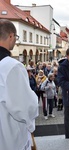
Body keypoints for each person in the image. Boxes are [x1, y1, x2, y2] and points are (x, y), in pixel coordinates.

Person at [0, 19, 39, 150]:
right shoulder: (12, 67)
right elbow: (25, 107)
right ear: (10, 36)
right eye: (16, 37)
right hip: (9, 138)